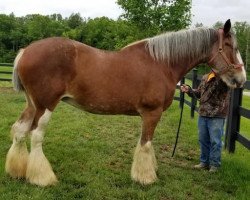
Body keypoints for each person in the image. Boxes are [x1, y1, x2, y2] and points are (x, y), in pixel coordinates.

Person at [181, 71, 230, 172]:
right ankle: (204, 162)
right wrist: (189, 90)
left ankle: (214, 164)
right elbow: (199, 93)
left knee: (215, 141)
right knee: (203, 139)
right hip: (203, 113)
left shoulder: (224, 78)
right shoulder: (206, 76)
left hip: (217, 114)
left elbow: (230, 85)